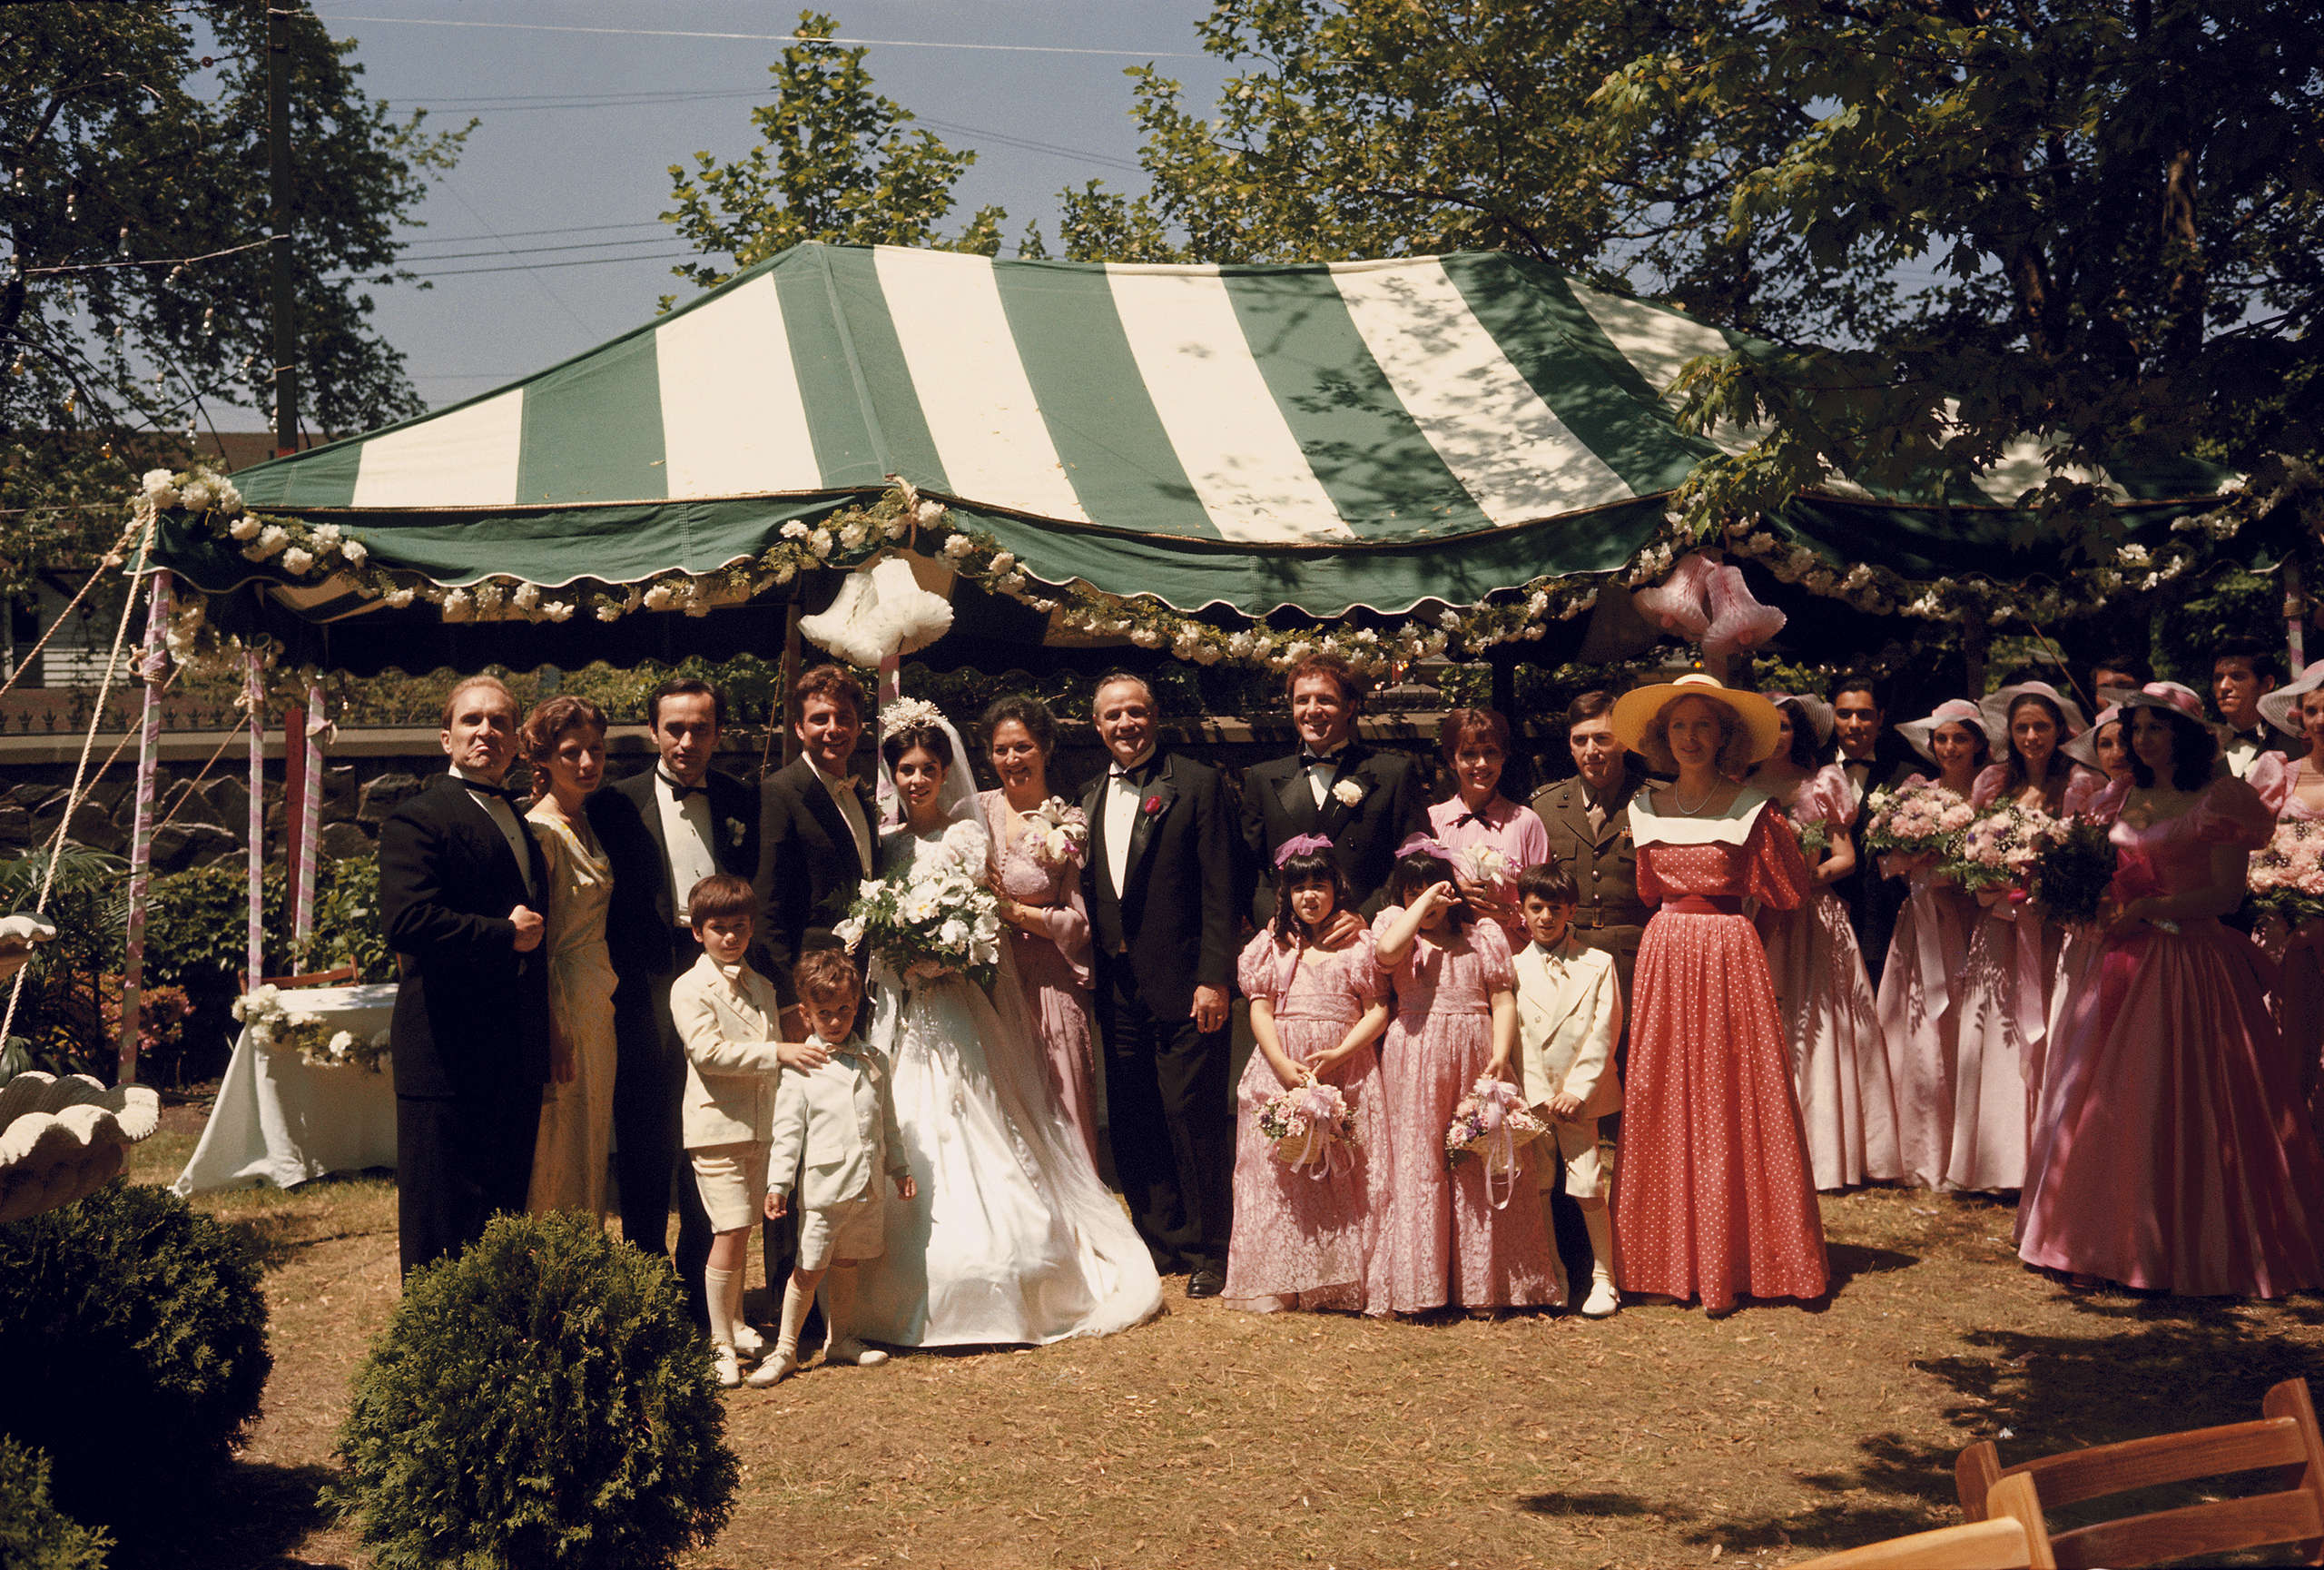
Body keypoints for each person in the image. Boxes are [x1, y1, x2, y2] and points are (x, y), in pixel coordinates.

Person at [853, 706, 1164, 1344]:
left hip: (960, 1001)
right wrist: (902, 957)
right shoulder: (882, 844)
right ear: (892, 774)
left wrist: (948, 949)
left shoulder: (968, 838)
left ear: (945, 773)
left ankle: (1009, 1268)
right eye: (906, 769)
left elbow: (983, 920)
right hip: (906, 1008)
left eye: (929, 769)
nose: (917, 780)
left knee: (986, 1123)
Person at [2018, 686, 2324, 1297]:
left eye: (2156, 728)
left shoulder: (2220, 799)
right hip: (2123, 958)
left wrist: (2154, 908)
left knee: (2179, 1093)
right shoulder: (2124, 796)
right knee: (2108, 1096)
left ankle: (2190, 1240)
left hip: (2192, 964)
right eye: (2137, 729)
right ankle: (2103, 1236)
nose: (2142, 740)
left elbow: (2227, 895)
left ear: (2185, 735)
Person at [1608, 674, 1827, 1316]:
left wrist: (1741, 923)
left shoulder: (1755, 807)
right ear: (1661, 737)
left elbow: (1790, 891)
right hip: (1667, 951)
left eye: (1704, 725)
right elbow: (1651, 890)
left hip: (1729, 952)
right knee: (1663, 1094)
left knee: (1737, 1092)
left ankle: (1751, 1254)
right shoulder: (1644, 808)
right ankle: (1664, 1256)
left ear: (1725, 735)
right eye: (1680, 726)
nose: (1692, 737)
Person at [588, 677, 763, 1325]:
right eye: (675, 729)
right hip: (647, 987)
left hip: (724, 986)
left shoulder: (744, 798)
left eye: (701, 729)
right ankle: (640, 1282)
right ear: (654, 732)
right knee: (645, 1136)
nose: (688, 741)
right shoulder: (614, 804)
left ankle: (698, 1286)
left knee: (712, 1132)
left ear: (719, 732)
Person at [379, 675, 551, 1274]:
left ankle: (496, 1348)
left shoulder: (520, 819)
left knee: (499, 1222)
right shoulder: (418, 818)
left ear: (516, 740)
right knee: (440, 1222)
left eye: (500, 721)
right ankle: (433, 1352)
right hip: (445, 1053)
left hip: (513, 1054)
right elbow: (407, 922)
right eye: (473, 720)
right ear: (445, 737)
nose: (487, 731)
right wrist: (503, 934)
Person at [1078, 672, 1240, 1298]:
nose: (1125, 724)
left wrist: (1214, 978)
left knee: (1190, 1112)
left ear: (1155, 716)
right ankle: (1157, 1239)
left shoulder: (1196, 784)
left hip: (1185, 983)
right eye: (1113, 715)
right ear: (1097, 725)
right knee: (1133, 1114)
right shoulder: (1088, 794)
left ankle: (1211, 1247)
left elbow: (1221, 888)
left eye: (1136, 712)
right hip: (1116, 987)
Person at [1373, 839, 1562, 1315]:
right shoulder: (1395, 929)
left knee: (1481, 1159)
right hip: (1414, 1052)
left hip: (1477, 1051)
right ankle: (1423, 1287)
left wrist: (1500, 1055)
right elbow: (1387, 953)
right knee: (1421, 1163)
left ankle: (1484, 1287)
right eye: (1413, 891)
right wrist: (1419, 904)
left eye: (1435, 889)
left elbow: (1501, 998)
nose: (1429, 901)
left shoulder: (1484, 936)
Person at [748, 662, 874, 1339]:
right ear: (799, 726)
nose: (832, 729)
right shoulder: (783, 790)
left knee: (844, 1137)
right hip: (808, 1000)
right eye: (819, 719)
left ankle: (842, 1298)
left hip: (854, 992)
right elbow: (769, 911)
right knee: (799, 1146)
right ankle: (785, 1291)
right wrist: (792, 1006)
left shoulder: (859, 793)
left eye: (843, 718)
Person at [1951, 680, 2106, 1193]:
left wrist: (2046, 883)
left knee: (2050, 1032)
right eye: (2022, 728)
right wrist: (1986, 875)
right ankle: (1994, 1163)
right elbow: (1969, 848)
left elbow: (2086, 858)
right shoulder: (1993, 782)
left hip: (2053, 930)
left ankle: (2043, 1158)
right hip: (1998, 928)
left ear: (2061, 729)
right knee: (1995, 1034)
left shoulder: (2081, 783)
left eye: (2042, 726)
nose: (2032, 736)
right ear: (2009, 733)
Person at [1224, 837, 1392, 1313]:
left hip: (1343, 1065)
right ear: (1286, 894)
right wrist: (1278, 1062)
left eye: (1319, 886)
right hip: (1284, 1065)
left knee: (1341, 1172)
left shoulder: (1359, 944)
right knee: (1280, 1173)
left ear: (1336, 888)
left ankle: (1332, 1280)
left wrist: (1340, 1053)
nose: (1310, 897)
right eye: (1299, 889)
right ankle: (1280, 1276)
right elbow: (1260, 1008)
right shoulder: (1273, 944)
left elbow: (1377, 1010)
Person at [1748, 694, 1899, 1190]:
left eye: (1786, 727)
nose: (1777, 735)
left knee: (1818, 1021)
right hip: (1755, 917)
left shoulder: (1821, 783)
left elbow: (1846, 857)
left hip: (1812, 916)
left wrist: (1800, 880)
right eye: (1768, 727)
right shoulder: (1737, 784)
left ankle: (1825, 1149)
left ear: (1800, 733)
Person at [753, 951, 916, 1386]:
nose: (836, 1021)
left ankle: (841, 1338)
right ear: (806, 1014)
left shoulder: (874, 1060)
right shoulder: (803, 1067)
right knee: (809, 1267)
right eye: (824, 1013)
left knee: (847, 1262)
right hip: (826, 1188)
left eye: (844, 1010)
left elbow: (887, 1121)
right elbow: (788, 1133)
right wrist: (778, 1184)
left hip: (867, 1188)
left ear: (857, 1005)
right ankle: (786, 1349)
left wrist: (898, 1168)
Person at [668, 874, 793, 1387]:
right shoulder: (689, 987)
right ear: (697, 932)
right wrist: (778, 1052)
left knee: (746, 1232)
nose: (729, 937)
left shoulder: (761, 985)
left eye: (739, 926)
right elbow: (708, 1053)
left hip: (760, 1126)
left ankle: (737, 1323)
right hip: (716, 1126)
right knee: (729, 1230)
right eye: (718, 928)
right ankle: (718, 1344)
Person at [1877, 699, 1997, 1190]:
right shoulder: (1915, 792)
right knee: (1920, 1022)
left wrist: (1951, 869)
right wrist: (1909, 857)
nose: (1949, 748)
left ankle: (1971, 1148)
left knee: (1967, 1024)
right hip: (1921, 920)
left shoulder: (1992, 794)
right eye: (1941, 739)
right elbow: (1886, 860)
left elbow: (1991, 861)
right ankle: (1920, 1148)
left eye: (1960, 739)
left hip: (1972, 917)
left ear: (1979, 745)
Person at [978, 694, 1101, 1169]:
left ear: (1046, 749)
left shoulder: (1069, 823)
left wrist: (1013, 912)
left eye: (1023, 747)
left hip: (1050, 983)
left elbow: (1079, 923)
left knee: (1062, 1102)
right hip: (988, 984)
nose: (1012, 759)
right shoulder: (974, 809)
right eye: (1001, 749)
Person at [520, 696, 617, 1218]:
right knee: (557, 1139)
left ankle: (586, 1266)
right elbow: (539, 944)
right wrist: (552, 1028)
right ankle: (549, 1275)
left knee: (590, 1134)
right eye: (571, 752)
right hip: (562, 1002)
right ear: (543, 758)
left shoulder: (585, 820)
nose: (587, 764)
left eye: (596, 751)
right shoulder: (541, 832)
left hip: (596, 996)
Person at [1242, 653, 1429, 923]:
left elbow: (1414, 860)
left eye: (1325, 700)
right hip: (1289, 939)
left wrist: (1368, 917)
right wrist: (1274, 919)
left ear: (1350, 706)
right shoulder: (1262, 778)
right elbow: (1247, 868)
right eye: (1302, 700)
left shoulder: (1392, 774)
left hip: (1367, 939)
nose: (1312, 710)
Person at [1512, 864, 1623, 1318]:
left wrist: (1577, 1090)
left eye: (1554, 909)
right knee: (1539, 1183)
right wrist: (1535, 1093)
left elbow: (1605, 1032)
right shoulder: (1512, 968)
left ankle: (1604, 1277)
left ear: (1571, 910)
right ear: (1522, 911)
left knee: (1587, 1182)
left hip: (1579, 1097)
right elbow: (1513, 1033)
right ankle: (1552, 1271)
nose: (1544, 918)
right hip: (1534, 1095)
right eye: (1535, 908)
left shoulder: (1598, 964)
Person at [1531, 691, 1652, 1013]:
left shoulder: (1655, 803)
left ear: (1624, 742)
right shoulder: (1545, 806)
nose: (1591, 751)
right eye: (1580, 740)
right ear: (1570, 745)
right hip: (1564, 956)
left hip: (1632, 960)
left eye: (1602, 738)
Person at [2250, 660, 2324, 1125]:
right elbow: (2251, 847)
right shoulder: (2280, 773)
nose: (2323, 720)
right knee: (2292, 1045)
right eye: (2314, 710)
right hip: (2289, 937)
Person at [1427, 706, 1549, 940]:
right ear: (1452, 760)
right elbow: (1412, 898)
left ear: (1503, 756)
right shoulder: (1432, 821)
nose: (1481, 763)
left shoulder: (1526, 823)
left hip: (1510, 957)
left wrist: (1510, 913)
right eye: (1469, 754)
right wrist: (1453, 894)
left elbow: (1546, 902)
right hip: (1446, 957)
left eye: (1491, 752)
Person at [1830, 675, 1912, 989]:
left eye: (1864, 714)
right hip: (1823, 922)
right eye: (1844, 714)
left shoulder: (1905, 776)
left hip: (1885, 925)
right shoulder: (1809, 772)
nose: (1854, 723)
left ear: (1880, 718)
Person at [2214, 638, 2285, 778]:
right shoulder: (2200, 750)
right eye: (2218, 678)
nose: (2224, 687)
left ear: (2266, 684)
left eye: (2237, 677)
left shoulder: (2292, 746)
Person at [2063, 705, 2132, 785]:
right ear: (2096, 752)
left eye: (2125, 742)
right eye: (2106, 745)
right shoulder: (2095, 796)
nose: (2116, 754)